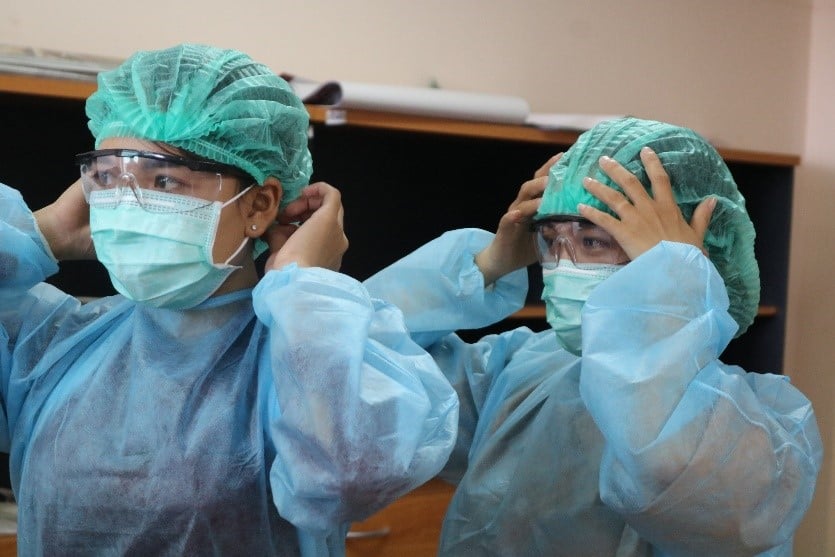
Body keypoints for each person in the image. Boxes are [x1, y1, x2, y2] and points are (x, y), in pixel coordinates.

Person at [0, 43, 459, 556]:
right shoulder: (56, 346)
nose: (127, 206)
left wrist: (303, 283)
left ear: (259, 204)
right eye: (107, 179)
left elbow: (346, 478)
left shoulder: (310, 355)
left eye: (165, 180)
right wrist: (40, 233)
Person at [364, 117, 822, 556]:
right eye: (550, 240)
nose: (564, 267)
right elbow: (360, 367)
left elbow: (665, 467)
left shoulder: (760, 431)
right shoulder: (517, 371)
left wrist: (671, 288)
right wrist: (485, 265)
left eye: (594, 241)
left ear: (688, 260)